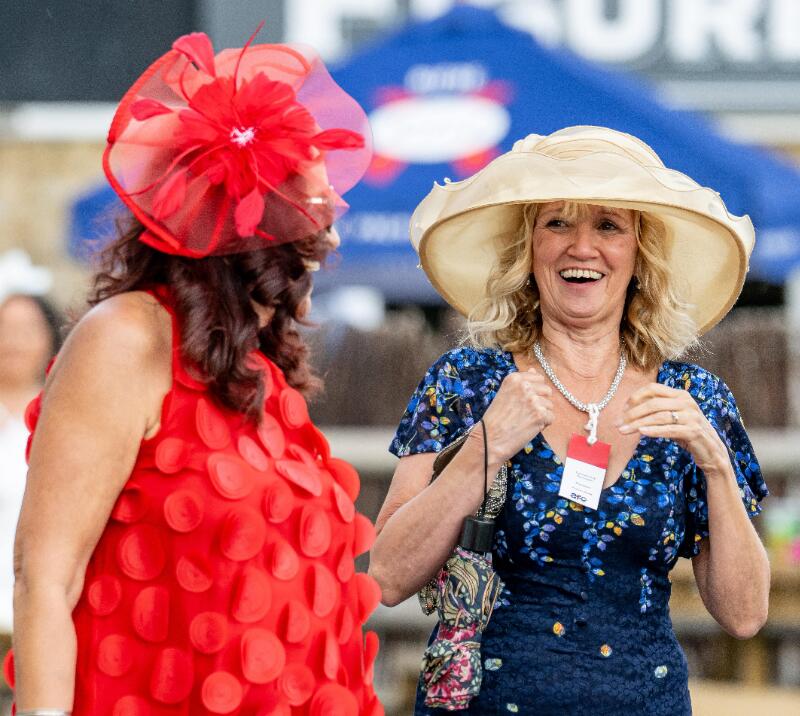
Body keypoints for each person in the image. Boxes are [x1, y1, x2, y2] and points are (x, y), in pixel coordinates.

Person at [12, 28, 383, 716]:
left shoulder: (257, 367)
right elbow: (46, 578)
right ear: (252, 221)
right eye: (317, 202)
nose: (335, 226)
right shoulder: (127, 338)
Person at [370, 126, 770, 715]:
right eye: (557, 222)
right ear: (527, 248)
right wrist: (487, 445)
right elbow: (387, 574)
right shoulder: (467, 383)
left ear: (640, 253)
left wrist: (715, 466)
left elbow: (744, 614)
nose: (581, 247)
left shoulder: (694, 400)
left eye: (608, 225)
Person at [0, 251, 61, 636]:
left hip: (34, 619)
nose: (14, 343)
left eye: (27, 330)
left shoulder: (62, 416)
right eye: (5, 328)